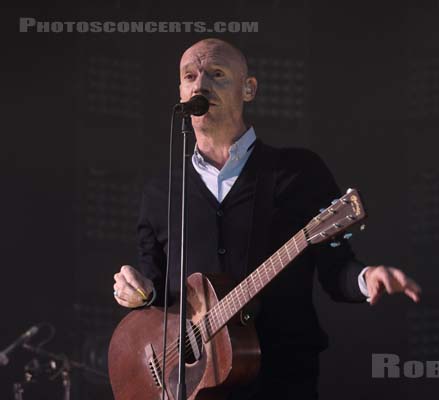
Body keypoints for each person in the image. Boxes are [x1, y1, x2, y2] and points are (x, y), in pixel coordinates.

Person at [112, 38, 421, 399]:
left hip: (281, 379)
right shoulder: (160, 191)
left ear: (249, 88)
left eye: (216, 74)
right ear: (180, 92)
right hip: (191, 387)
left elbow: (337, 270)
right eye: (190, 76)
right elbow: (156, 289)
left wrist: (368, 278)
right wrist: (139, 290)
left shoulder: (298, 172)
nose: (200, 85)